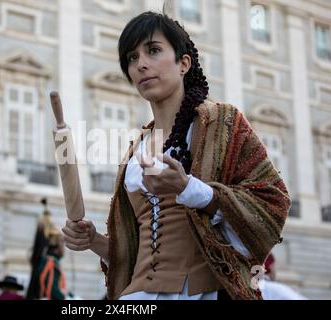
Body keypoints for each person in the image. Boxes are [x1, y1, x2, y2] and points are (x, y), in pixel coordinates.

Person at [61, 11, 290, 300]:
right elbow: (131, 260)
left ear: (183, 63)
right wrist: (93, 240)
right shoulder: (135, 152)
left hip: (201, 293)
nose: (141, 64)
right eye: (132, 58)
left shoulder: (222, 123)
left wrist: (189, 189)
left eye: (153, 51)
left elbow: (272, 201)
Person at [26, 198, 68, 300]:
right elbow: (52, 291)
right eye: (62, 242)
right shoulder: (50, 263)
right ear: (57, 246)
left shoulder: (45, 260)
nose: (64, 247)